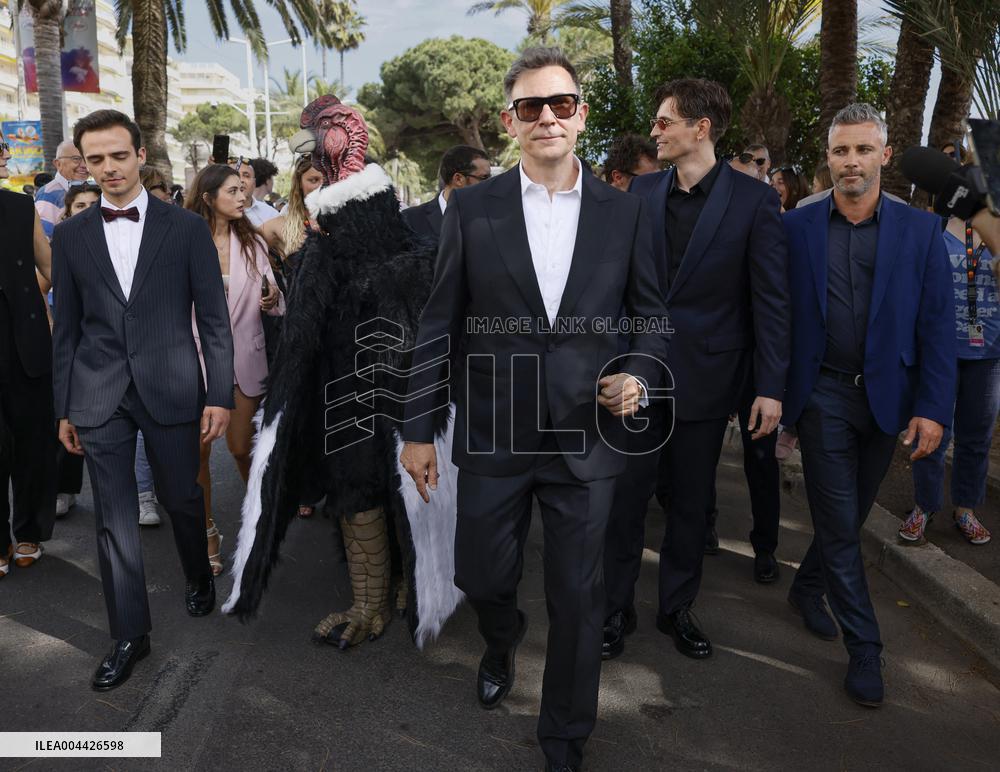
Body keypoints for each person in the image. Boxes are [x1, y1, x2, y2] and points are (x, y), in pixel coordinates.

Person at [399, 48, 669, 772]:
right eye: (530, 107)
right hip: (493, 430)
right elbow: (439, 321)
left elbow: (651, 316)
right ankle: (501, 632)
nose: (546, 117)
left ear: (582, 114)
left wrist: (638, 375)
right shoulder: (474, 208)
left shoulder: (627, 213)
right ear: (508, 121)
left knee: (580, 600)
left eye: (561, 104)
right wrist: (416, 429)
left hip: (588, 435)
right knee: (482, 573)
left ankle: (564, 738)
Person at [223, 95, 464, 658]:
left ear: (345, 141)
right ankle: (369, 602)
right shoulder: (320, 244)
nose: (307, 140)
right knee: (356, 495)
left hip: (403, 399)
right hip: (342, 398)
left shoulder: (404, 250)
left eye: (322, 129)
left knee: (410, 496)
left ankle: (408, 586)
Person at [603, 78, 789, 664]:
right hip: (636, 375)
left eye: (665, 121)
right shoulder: (639, 191)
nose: (655, 131)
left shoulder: (755, 201)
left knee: (690, 502)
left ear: (700, 128)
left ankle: (676, 608)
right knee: (624, 500)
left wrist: (771, 389)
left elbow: (771, 302)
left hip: (708, 379)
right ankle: (614, 607)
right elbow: (614, 288)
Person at [51, 110, 234, 691]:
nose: (107, 168)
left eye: (118, 156)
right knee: (113, 518)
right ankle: (129, 632)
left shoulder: (184, 229)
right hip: (99, 393)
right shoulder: (73, 233)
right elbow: (69, 330)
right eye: (95, 159)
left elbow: (213, 319)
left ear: (139, 156)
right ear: (84, 163)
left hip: (173, 388)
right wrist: (63, 407)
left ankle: (196, 574)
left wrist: (219, 393)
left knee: (182, 498)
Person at [782, 104, 955, 707]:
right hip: (823, 393)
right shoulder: (797, 228)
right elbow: (778, 319)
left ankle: (806, 588)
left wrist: (934, 408)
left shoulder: (921, 233)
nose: (849, 161)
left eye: (861, 150)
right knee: (837, 518)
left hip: (889, 397)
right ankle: (866, 649)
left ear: (884, 155)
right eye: (839, 151)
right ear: (827, 159)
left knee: (847, 515)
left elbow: (938, 327)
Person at [186, 164, 284, 575]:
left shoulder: (254, 242)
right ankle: (207, 531)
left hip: (246, 356)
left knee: (243, 447)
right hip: (194, 359)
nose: (243, 196)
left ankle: (260, 520)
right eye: (233, 191)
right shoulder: (183, 243)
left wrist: (274, 295)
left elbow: (276, 300)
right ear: (208, 198)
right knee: (198, 455)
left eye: (243, 190)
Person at [899, 214, 998, 545]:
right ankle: (924, 506)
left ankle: (965, 510)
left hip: (989, 352)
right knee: (932, 433)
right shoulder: (936, 227)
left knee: (976, 437)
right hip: (940, 350)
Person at [0, 139, 56, 580]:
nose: (4, 156)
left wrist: (29, 297)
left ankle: (29, 533)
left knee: (33, 440)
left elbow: (51, 269)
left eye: (3, 148)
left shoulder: (22, 208)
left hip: (25, 340)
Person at [46, 182, 103, 518]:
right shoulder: (61, 243)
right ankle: (64, 488)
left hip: (104, 346)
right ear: (68, 212)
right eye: (79, 205)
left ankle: (141, 491)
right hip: (69, 339)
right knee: (69, 414)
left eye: (92, 204)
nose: (87, 210)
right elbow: (41, 285)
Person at [401, 145, 490, 242]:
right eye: (484, 178)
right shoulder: (410, 220)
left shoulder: (493, 217)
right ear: (458, 179)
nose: (490, 184)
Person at [35, 139, 91, 238]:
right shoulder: (48, 193)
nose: (84, 165)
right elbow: (44, 239)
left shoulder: (91, 189)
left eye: (87, 159)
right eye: (76, 159)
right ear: (58, 164)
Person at [240, 158, 280, 227]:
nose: (241, 180)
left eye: (246, 176)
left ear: (254, 180)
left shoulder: (271, 213)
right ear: (267, 180)